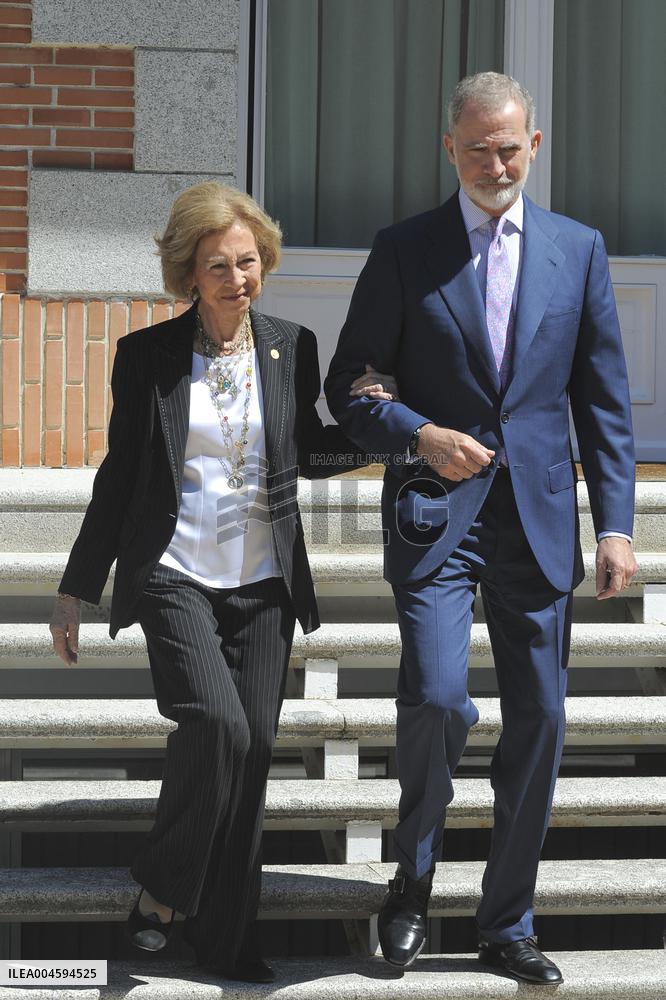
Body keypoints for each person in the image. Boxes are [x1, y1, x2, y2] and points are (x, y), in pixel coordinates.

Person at [325, 72, 637, 986]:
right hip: (436, 515)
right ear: (449, 150)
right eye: (476, 148)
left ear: (533, 146)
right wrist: (418, 432)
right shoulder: (403, 250)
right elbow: (351, 385)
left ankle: (508, 924)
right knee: (435, 696)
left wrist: (615, 526)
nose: (494, 163)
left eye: (509, 147)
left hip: (538, 520)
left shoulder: (579, 251)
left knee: (539, 721)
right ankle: (411, 888)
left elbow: (604, 404)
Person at [49, 181, 397, 983]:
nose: (238, 279)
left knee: (257, 751)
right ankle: (164, 891)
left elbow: (305, 449)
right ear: (188, 274)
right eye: (217, 266)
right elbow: (122, 473)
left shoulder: (290, 344)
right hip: (174, 573)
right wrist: (77, 586)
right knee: (220, 728)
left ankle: (226, 940)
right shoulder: (148, 357)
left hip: (264, 582)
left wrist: (375, 433)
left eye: (248, 262)